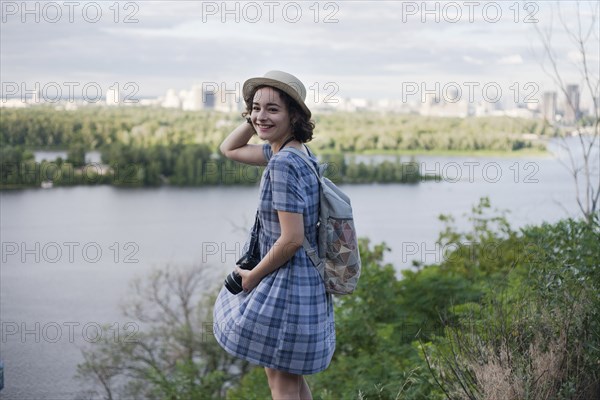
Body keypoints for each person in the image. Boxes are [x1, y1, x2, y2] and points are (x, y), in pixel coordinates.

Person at [213, 71, 335, 399]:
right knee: (291, 380)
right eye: (255, 108)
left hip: (287, 283)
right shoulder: (295, 154)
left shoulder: (282, 165)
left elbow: (291, 238)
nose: (260, 116)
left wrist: (252, 277)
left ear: (294, 115)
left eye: (272, 109)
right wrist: (259, 121)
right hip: (304, 280)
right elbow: (229, 148)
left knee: (280, 384)